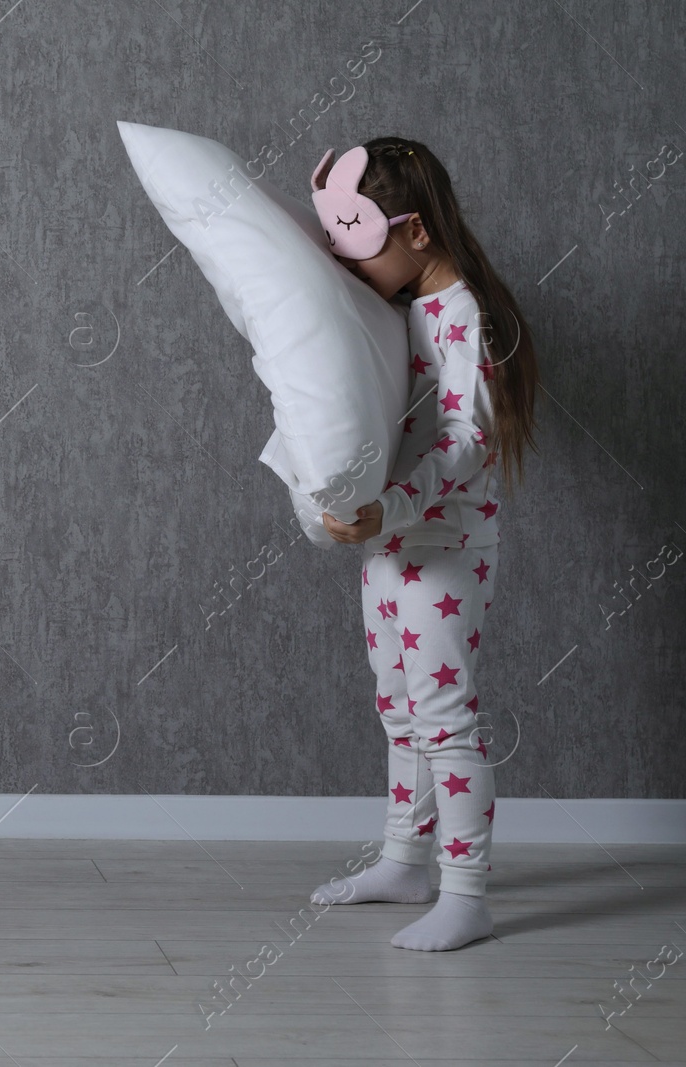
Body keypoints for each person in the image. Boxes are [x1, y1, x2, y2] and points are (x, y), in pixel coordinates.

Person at [304, 138, 540, 950]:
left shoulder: (464, 312)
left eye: (357, 239)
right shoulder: (407, 311)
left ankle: (467, 892)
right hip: (394, 540)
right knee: (399, 708)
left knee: (444, 716)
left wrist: (388, 508)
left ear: (415, 233)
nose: (347, 258)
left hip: (444, 540)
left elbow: (465, 441)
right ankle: (406, 858)